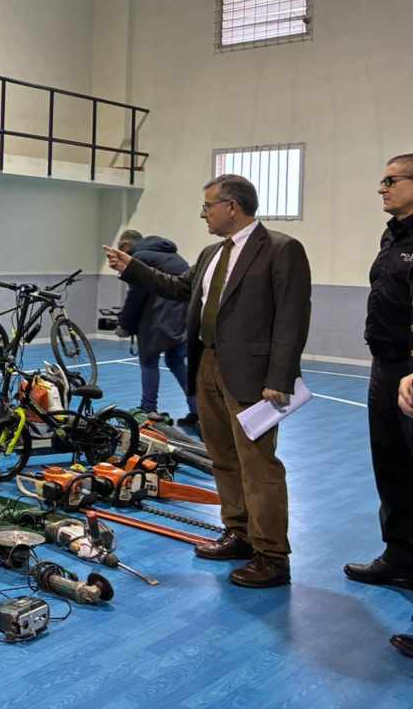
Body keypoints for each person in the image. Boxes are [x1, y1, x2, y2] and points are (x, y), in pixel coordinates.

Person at [104, 174, 311, 588]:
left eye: (208, 206)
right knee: (222, 457)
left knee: (259, 466)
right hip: (209, 365)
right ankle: (238, 533)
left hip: (254, 376)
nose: (204, 214)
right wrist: (134, 269)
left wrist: (280, 374)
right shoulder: (211, 253)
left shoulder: (281, 249)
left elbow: (292, 314)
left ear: (232, 206)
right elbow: (179, 289)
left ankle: (272, 556)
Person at [345, 153, 413, 593]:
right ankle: (400, 556)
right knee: (390, 464)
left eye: (391, 180)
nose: (382, 188)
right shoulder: (392, 237)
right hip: (386, 366)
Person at [116, 229, 199, 425]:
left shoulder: (139, 257)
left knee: (148, 359)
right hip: (183, 315)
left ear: (127, 247)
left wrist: (125, 324)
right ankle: (198, 410)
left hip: (161, 315)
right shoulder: (169, 254)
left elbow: (136, 296)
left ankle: (148, 408)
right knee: (176, 361)